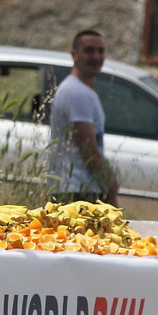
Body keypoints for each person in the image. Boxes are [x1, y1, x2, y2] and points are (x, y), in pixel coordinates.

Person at [46, 28, 118, 205]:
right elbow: (88, 150)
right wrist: (110, 187)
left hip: (78, 189)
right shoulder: (77, 92)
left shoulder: (81, 90)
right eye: (89, 50)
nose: (96, 56)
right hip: (76, 191)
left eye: (100, 51)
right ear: (74, 55)